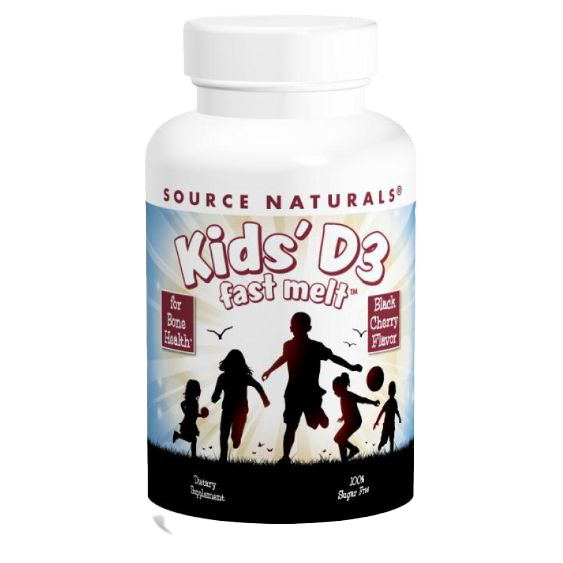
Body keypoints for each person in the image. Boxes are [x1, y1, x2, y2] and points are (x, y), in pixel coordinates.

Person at [262, 312, 363, 464]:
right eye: (294, 326)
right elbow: (283, 358)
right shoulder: (288, 346)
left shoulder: (316, 347)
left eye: (299, 326)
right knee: (291, 426)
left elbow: (333, 358)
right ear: (291, 328)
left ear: (307, 328)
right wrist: (269, 371)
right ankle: (285, 457)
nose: (295, 329)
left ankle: (320, 415)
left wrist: (351, 367)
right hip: (293, 393)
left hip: (311, 394)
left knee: (312, 424)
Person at [213, 350, 270, 462]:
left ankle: (234, 442)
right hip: (236, 410)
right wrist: (265, 399)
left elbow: (215, 396)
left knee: (225, 435)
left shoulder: (224, 377)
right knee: (225, 435)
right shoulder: (241, 377)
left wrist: (214, 399)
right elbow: (258, 386)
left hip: (235, 410)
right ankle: (223, 458)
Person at [333, 373, 380, 461]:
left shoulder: (349, 395)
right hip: (351, 422)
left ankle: (353, 449)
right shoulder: (343, 398)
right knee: (341, 439)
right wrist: (342, 417)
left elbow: (363, 400)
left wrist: (373, 402)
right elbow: (347, 411)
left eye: (335, 389)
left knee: (338, 438)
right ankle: (344, 459)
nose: (334, 392)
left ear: (341, 386)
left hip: (354, 421)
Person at [173, 379, 206, 458]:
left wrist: (200, 415)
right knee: (193, 439)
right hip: (188, 423)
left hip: (190, 423)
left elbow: (194, 414)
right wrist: (185, 412)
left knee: (193, 439)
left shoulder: (194, 401)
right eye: (197, 389)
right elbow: (182, 404)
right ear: (193, 390)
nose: (199, 390)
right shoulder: (191, 400)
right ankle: (193, 456)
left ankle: (178, 436)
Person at [374, 381, 402, 453]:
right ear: (389, 392)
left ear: (394, 392)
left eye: (393, 390)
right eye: (391, 390)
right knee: (384, 441)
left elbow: (396, 410)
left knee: (391, 441)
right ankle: (381, 444)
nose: (393, 392)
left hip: (391, 425)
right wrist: (376, 422)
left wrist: (399, 417)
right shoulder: (387, 403)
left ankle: (391, 453)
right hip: (386, 425)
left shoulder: (394, 402)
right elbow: (381, 413)